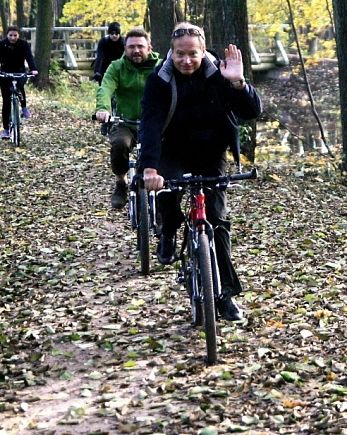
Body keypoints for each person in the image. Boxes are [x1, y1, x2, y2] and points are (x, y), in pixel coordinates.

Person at [140, 22, 262, 321]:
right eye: (180, 54)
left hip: (211, 151)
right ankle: (167, 230)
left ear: (203, 51)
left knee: (218, 221)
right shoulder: (159, 79)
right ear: (171, 52)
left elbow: (251, 112)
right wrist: (149, 168)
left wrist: (238, 83)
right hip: (173, 149)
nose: (186, 60)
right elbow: (151, 126)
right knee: (167, 193)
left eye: (192, 54)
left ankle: (225, 295)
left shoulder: (219, 74)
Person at [95, 27, 162, 209]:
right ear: (125, 49)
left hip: (156, 123)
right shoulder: (117, 67)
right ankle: (121, 183)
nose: (136, 50)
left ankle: (163, 197)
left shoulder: (161, 66)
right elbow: (106, 88)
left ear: (149, 48)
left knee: (166, 153)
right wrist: (103, 109)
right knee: (119, 145)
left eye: (140, 46)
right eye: (131, 47)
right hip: (126, 122)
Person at [0, 26, 38, 139]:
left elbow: (29, 57)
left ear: (18, 36)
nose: (13, 38)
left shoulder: (23, 44)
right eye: (10, 35)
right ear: (7, 35)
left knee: (20, 86)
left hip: (20, 71)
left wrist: (33, 69)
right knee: (6, 101)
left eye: (15, 35)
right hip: (5, 73)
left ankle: (24, 107)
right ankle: (6, 129)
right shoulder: (2, 44)